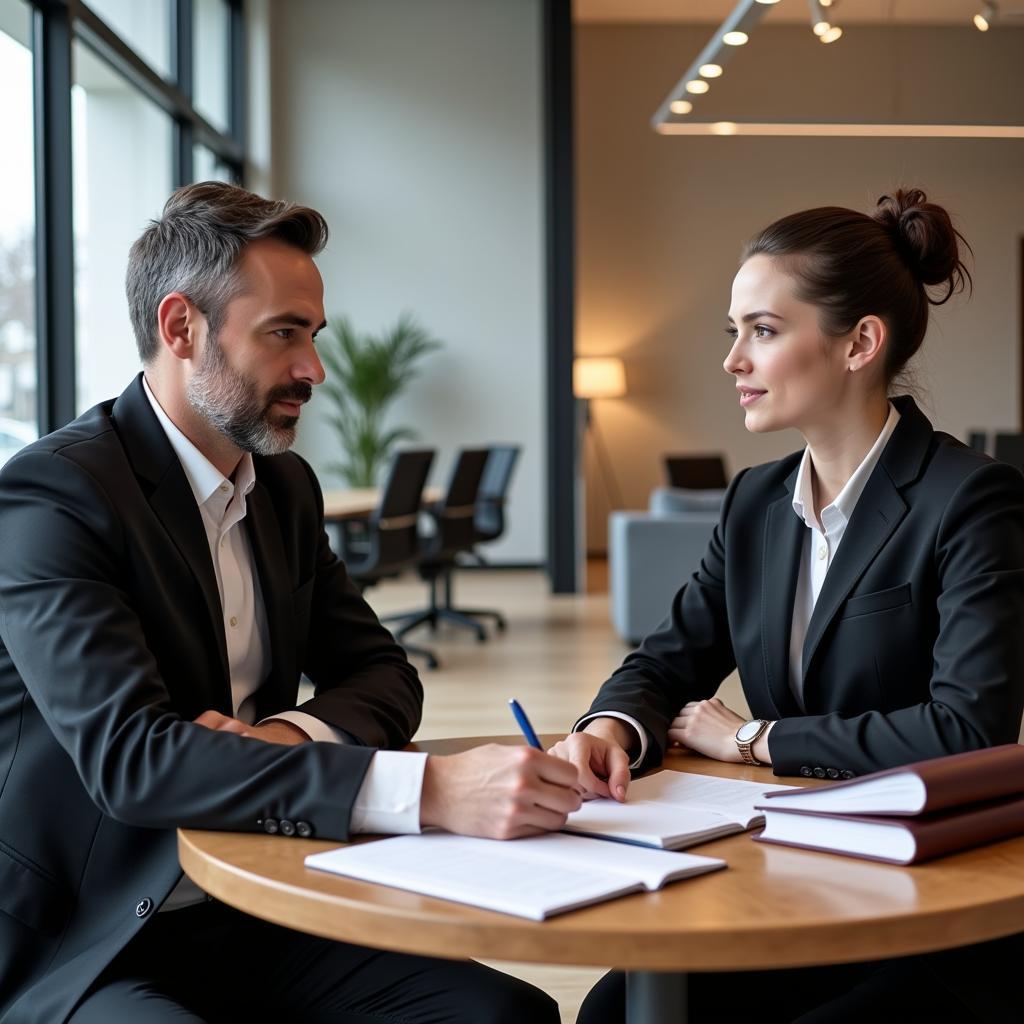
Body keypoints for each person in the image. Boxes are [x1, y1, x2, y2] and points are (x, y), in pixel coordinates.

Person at [0, 181, 581, 1024]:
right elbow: (135, 762)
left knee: (502, 1015)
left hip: (263, 896)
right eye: (284, 334)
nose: (312, 368)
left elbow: (384, 674)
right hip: (92, 939)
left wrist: (282, 734)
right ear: (180, 328)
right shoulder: (56, 496)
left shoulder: (282, 486)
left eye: (313, 335)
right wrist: (427, 790)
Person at [552, 188, 1024, 1022]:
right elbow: (665, 661)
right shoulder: (755, 503)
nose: (734, 359)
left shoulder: (972, 500)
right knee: (612, 1010)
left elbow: (966, 730)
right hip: (788, 868)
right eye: (734, 332)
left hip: (928, 897)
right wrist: (609, 729)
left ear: (860, 344)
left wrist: (753, 738)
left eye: (762, 331)